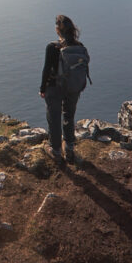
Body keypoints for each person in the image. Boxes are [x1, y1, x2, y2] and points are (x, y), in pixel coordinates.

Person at [39, 14, 90, 163]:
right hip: (73, 87)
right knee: (69, 116)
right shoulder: (79, 47)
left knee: (54, 118)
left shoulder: (52, 47)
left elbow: (46, 69)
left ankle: (55, 150)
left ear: (57, 30)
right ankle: (69, 148)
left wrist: (42, 88)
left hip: (54, 88)